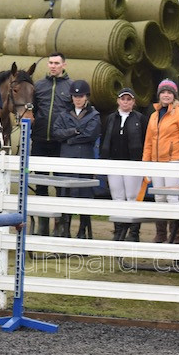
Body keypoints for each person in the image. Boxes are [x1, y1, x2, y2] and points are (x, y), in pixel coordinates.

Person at [142, 79, 179, 244]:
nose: (166, 95)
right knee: (159, 197)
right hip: (156, 162)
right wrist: (146, 164)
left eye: (169, 92)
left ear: (174, 95)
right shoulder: (153, 115)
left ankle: (176, 236)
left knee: (172, 198)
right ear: (159, 95)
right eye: (163, 92)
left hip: (174, 161)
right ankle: (161, 234)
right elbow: (149, 141)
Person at [51, 79, 101, 239]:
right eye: (75, 96)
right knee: (66, 194)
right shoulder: (64, 114)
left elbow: (90, 134)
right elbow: (56, 132)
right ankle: (65, 230)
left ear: (86, 97)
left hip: (85, 158)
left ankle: (83, 230)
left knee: (85, 194)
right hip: (67, 159)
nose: (77, 99)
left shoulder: (94, 115)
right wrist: (74, 131)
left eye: (81, 96)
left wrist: (69, 138)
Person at [31, 52, 73, 235]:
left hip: (60, 143)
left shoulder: (71, 87)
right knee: (40, 184)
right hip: (39, 140)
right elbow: (30, 110)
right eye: (50, 63)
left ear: (64, 64)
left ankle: (61, 223)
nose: (53, 66)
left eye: (57, 63)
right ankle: (43, 223)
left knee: (60, 184)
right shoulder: (38, 86)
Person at [100, 87, 148, 242]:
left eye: (129, 99)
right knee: (117, 196)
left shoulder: (140, 119)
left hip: (133, 163)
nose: (125, 102)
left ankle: (134, 232)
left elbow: (146, 140)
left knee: (132, 197)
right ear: (118, 101)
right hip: (114, 162)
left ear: (133, 102)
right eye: (123, 99)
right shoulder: (110, 118)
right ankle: (118, 230)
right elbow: (104, 139)